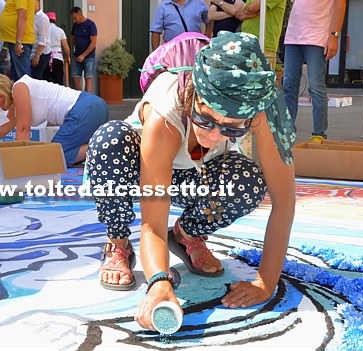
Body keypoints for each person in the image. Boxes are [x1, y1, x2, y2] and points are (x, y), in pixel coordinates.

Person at [86, 32, 296, 332]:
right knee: (110, 140)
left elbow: (284, 201)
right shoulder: (166, 111)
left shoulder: (260, 108)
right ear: (194, 97)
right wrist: (159, 281)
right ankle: (118, 243)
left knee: (247, 181)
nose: (213, 135)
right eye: (205, 119)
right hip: (137, 168)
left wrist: (265, 283)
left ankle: (187, 234)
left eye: (232, 129)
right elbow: (152, 225)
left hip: (195, 173)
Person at [0, 72, 109, 167]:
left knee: (54, 156)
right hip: (92, 107)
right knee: (59, 156)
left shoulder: (19, 89)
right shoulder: (17, 97)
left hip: (85, 109)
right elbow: (4, 127)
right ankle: (103, 143)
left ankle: (106, 145)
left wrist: (23, 165)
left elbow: (23, 130)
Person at [282, 0, 346, 142]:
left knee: (316, 86)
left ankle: (319, 132)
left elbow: (340, 4)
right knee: (289, 84)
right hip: (294, 35)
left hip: (317, 36)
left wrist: (334, 36)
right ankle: (287, 129)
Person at [218, 0, 286, 69]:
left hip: (264, 46)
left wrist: (249, 11)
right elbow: (239, 14)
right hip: (246, 44)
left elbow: (251, 8)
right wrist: (251, 11)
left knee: (261, 78)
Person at [0, 0, 36, 81]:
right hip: (15, 39)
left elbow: (22, 14)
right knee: (16, 77)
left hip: (19, 40)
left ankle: (27, 92)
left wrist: (18, 42)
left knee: (23, 77)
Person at [70, 6, 96, 92]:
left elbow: (93, 43)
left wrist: (83, 55)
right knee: (75, 77)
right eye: (73, 18)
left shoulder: (90, 25)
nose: (74, 20)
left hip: (89, 56)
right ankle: (80, 97)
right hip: (77, 55)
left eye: (75, 18)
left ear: (80, 14)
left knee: (88, 78)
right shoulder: (75, 26)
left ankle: (87, 98)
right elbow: (72, 38)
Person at [43, 11, 69, 86]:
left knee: (46, 81)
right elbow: (66, 48)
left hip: (46, 56)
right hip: (57, 57)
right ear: (55, 20)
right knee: (58, 81)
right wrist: (68, 57)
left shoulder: (44, 30)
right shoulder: (60, 30)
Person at [30, 0, 50, 79]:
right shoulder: (30, 16)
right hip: (31, 52)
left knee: (36, 76)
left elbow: (42, 39)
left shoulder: (42, 17)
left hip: (41, 53)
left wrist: (37, 55)